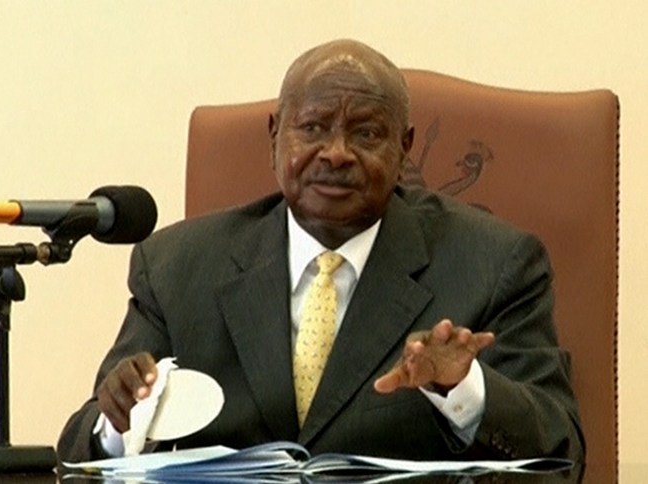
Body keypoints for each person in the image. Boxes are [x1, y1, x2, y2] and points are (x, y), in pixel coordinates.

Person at [57, 39, 584, 464]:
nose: (336, 153)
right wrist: (118, 421)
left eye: (367, 133)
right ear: (274, 137)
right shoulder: (176, 266)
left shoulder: (495, 264)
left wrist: (461, 384)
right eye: (312, 128)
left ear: (403, 148)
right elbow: (81, 451)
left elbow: (561, 450)